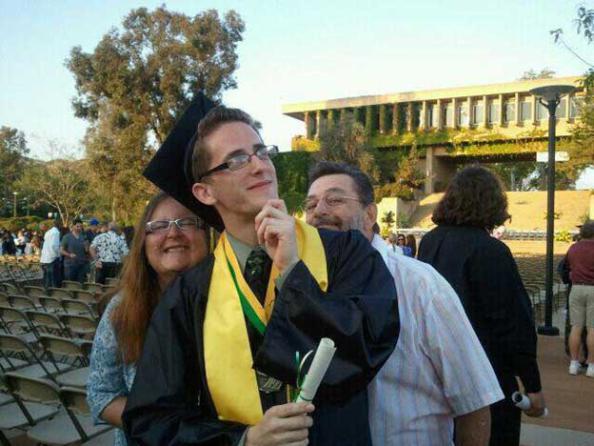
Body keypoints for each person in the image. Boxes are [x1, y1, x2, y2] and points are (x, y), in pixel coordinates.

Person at [123, 100, 399, 446]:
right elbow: (151, 422)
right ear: (204, 192)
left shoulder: (345, 252)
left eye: (262, 152)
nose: (260, 167)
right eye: (237, 159)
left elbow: (370, 346)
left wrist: (292, 272)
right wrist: (243, 440)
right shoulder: (191, 293)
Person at [305, 161, 503, 446]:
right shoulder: (305, 290)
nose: (319, 212)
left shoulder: (421, 286)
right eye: (310, 205)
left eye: (334, 200)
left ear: (369, 214)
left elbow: (474, 401)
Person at [417, 165, 546, 446]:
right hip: (485, 376)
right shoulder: (491, 250)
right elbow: (513, 323)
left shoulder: (429, 242)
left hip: (436, 371)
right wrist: (532, 384)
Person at [87, 192, 210, 446]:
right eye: (159, 226)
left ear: (207, 236)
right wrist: (165, 429)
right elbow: (101, 395)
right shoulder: (121, 309)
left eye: (186, 222)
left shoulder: (232, 302)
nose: (173, 233)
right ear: (143, 242)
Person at [565, 221, 594, 377]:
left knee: (576, 327)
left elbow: (568, 267)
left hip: (576, 288)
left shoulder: (573, 248)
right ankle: (591, 366)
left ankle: (573, 364)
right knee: (592, 329)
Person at [60, 218, 90, 284]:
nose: (79, 228)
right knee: (70, 285)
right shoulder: (66, 237)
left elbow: (86, 252)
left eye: (81, 227)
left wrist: (87, 247)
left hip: (81, 265)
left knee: (80, 285)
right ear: (73, 226)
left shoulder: (83, 237)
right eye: (77, 226)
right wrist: (69, 255)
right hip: (70, 265)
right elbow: (61, 250)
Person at [40, 221, 61, 289]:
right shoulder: (56, 232)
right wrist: (57, 255)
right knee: (53, 281)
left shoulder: (48, 232)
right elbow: (54, 246)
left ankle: (46, 294)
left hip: (44, 259)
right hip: (52, 259)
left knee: (46, 279)